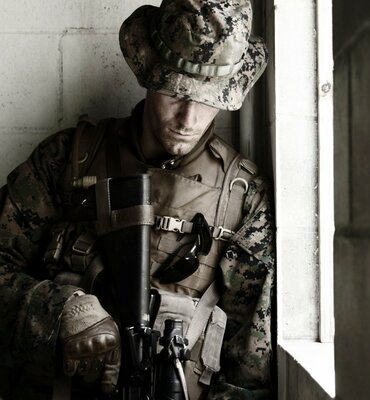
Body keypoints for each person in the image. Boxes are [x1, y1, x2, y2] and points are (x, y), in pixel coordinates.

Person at [0, 0, 274, 399]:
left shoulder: (244, 199)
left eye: (208, 98)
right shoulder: (66, 160)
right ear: (147, 74)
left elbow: (249, 371)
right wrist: (56, 311)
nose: (188, 119)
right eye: (175, 92)